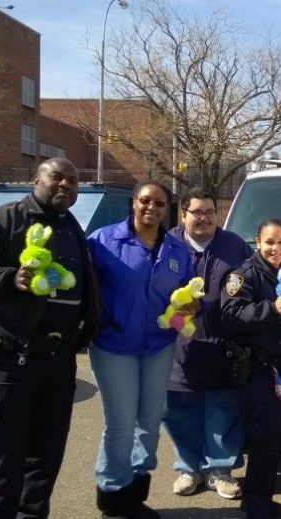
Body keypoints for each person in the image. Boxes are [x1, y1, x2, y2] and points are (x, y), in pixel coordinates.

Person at [0, 158, 101, 519]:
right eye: (57, 177)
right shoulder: (6, 220)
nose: (65, 184)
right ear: (36, 179)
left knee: (44, 459)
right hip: (10, 359)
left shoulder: (70, 227)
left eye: (73, 180)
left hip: (58, 360)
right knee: (2, 457)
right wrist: (8, 279)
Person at [88, 180, 195, 519]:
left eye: (160, 204)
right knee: (121, 422)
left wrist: (190, 309)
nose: (152, 208)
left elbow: (187, 297)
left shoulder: (177, 251)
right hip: (114, 345)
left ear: (168, 208)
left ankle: (134, 493)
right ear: (134, 203)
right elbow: (85, 291)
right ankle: (112, 495)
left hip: (158, 346)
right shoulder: (103, 242)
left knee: (149, 420)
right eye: (145, 201)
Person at [162, 188, 252, 499]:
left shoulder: (234, 245)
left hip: (222, 344)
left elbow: (250, 281)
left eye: (210, 212)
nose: (204, 218)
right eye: (197, 212)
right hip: (177, 344)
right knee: (179, 410)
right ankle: (189, 469)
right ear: (183, 215)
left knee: (222, 408)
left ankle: (220, 470)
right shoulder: (167, 244)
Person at [220, 218, 281, 519]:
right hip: (258, 369)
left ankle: (260, 499)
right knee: (264, 440)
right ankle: (257, 507)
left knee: (277, 439)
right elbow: (230, 315)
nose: (275, 248)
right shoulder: (243, 275)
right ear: (258, 243)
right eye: (269, 242)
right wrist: (273, 308)